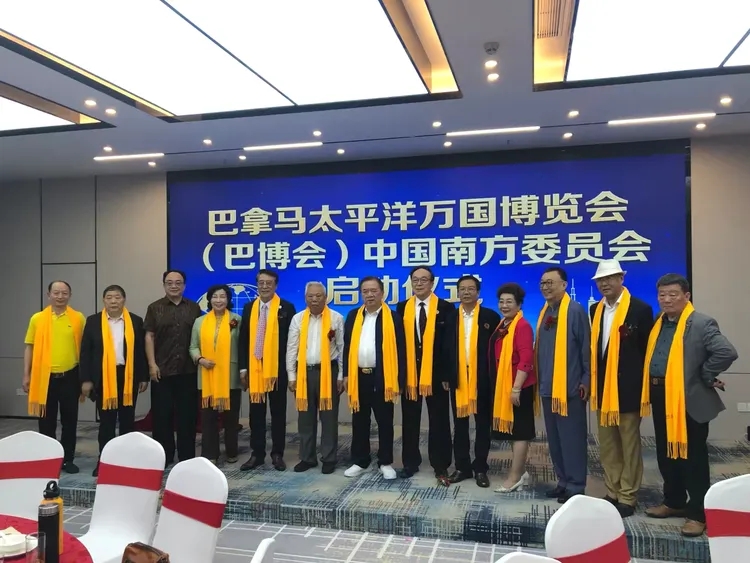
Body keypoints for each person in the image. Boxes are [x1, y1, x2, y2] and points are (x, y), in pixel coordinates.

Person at [643, 274, 737, 537]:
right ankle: (673, 501)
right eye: (662, 294)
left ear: (687, 296)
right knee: (666, 452)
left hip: (688, 398)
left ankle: (697, 513)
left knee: (693, 457)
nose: (666, 299)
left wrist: (705, 374)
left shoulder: (701, 323)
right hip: (661, 394)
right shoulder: (659, 322)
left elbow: (726, 352)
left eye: (673, 294)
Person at [589, 260, 654, 517]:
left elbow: (646, 352)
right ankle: (612, 491)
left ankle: (628, 495)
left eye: (610, 278)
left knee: (629, 444)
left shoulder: (640, 309)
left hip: (628, 388)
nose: (604, 283)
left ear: (621, 279)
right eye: (600, 280)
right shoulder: (595, 309)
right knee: (607, 445)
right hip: (602, 388)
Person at [79, 285, 149, 476]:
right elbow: (85, 353)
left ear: (124, 300)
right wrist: (86, 379)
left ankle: (126, 461)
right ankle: (105, 460)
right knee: (107, 422)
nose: (113, 301)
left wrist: (143, 377)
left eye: (117, 297)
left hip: (128, 377)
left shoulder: (135, 321)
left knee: (127, 421)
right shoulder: (93, 321)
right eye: (109, 297)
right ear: (104, 300)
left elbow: (140, 351)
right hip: (103, 378)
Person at [536, 266, 591, 503]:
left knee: (572, 439)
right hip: (548, 387)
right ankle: (563, 482)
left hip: (570, 388)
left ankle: (576, 485)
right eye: (543, 283)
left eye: (550, 282)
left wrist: (586, 379)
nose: (546, 287)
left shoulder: (575, 310)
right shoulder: (545, 312)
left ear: (564, 285)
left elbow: (586, 348)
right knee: (555, 440)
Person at [343, 276, 406, 480]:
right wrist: (346, 374)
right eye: (365, 291)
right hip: (358, 377)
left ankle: (385, 462)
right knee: (359, 420)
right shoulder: (353, 315)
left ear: (382, 293)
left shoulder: (393, 318)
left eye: (373, 291)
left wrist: (400, 380)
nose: (369, 295)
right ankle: (360, 460)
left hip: (383, 377)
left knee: (385, 421)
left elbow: (401, 350)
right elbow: (347, 347)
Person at [396, 266, 455, 481]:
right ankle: (410, 462)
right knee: (410, 420)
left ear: (432, 283)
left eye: (424, 280)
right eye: (415, 280)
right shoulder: (402, 307)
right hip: (411, 374)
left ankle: (440, 465)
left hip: (436, 375)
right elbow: (398, 343)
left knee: (439, 420)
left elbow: (449, 344)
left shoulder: (446, 308)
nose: (419, 284)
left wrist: (447, 374)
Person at [443, 275, 501, 488]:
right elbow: (443, 348)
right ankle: (462, 467)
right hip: (458, 377)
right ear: (457, 292)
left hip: (482, 378)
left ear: (478, 292)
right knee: (460, 425)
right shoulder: (450, 317)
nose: (466, 292)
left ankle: (481, 468)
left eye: (470, 289)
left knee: (482, 425)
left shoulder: (489, 316)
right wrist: (446, 375)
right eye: (462, 289)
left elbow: (496, 349)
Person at [23, 280, 86, 473]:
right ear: (48, 295)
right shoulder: (37, 319)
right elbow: (29, 347)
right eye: (56, 293)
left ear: (70, 295)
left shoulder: (78, 318)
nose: (60, 296)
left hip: (70, 376)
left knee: (70, 421)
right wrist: (26, 375)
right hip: (44, 378)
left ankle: (68, 459)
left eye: (64, 293)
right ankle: (48, 460)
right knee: (46, 422)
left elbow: (85, 348)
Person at [238, 269, 296, 471]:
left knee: (278, 413)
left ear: (275, 285)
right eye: (261, 283)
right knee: (256, 415)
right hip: (255, 370)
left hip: (277, 371)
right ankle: (257, 454)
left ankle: (277, 453)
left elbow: (292, 342)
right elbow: (243, 339)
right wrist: (243, 368)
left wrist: (291, 370)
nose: (264, 286)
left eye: (268, 283)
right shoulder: (249, 308)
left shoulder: (286, 307)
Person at [144, 270, 202, 467]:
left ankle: (187, 455)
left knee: (188, 416)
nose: (174, 286)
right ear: (164, 285)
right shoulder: (154, 308)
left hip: (188, 370)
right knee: (162, 417)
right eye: (169, 283)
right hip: (162, 370)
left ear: (184, 285)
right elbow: (149, 336)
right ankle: (165, 455)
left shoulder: (194, 308)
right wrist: (152, 364)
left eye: (178, 282)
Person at [286, 282, 345, 474]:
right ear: (305, 298)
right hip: (304, 373)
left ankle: (329, 458)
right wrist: (291, 375)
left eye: (318, 296)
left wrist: (341, 375)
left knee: (329, 419)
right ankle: (307, 458)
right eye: (310, 296)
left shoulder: (336, 318)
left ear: (325, 297)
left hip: (329, 372)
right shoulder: (297, 319)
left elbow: (342, 348)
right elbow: (292, 348)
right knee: (305, 418)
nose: (314, 299)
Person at [490, 282, 536, 493]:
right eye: (501, 301)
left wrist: (516, 388)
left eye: (509, 301)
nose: (504, 305)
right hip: (504, 384)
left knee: (519, 433)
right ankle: (521, 472)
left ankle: (515, 477)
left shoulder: (522, 326)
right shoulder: (504, 324)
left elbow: (526, 359)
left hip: (519, 386)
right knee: (512, 431)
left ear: (519, 304)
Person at [189, 284, 243, 464]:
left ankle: (232, 451)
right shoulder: (200, 322)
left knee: (231, 418)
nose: (218, 300)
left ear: (228, 300)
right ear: (209, 299)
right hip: (207, 375)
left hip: (230, 375)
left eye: (222, 297)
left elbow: (242, 347)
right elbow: (193, 346)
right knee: (208, 418)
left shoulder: (237, 320)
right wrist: (200, 359)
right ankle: (210, 453)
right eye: (215, 297)